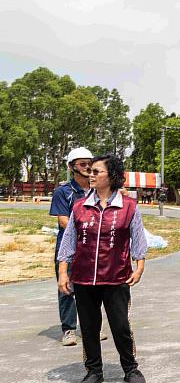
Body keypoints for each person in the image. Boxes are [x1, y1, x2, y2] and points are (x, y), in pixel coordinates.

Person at [57, 154, 148, 383]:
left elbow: (137, 236)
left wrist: (139, 265)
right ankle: (93, 371)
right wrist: (63, 271)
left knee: (120, 326)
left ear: (112, 176)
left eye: (97, 171)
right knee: (89, 328)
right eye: (90, 171)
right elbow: (69, 241)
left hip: (116, 277)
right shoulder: (80, 206)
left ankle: (130, 368)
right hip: (84, 277)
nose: (91, 175)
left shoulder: (128, 207)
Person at [50, 147, 93, 346]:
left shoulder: (97, 190)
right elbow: (62, 220)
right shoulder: (63, 192)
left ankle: (90, 328)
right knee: (66, 288)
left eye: (90, 163)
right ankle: (69, 329)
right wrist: (87, 228)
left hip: (91, 248)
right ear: (71, 167)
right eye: (82, 164)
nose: (87, 167)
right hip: (68, 248)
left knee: (91, 289)